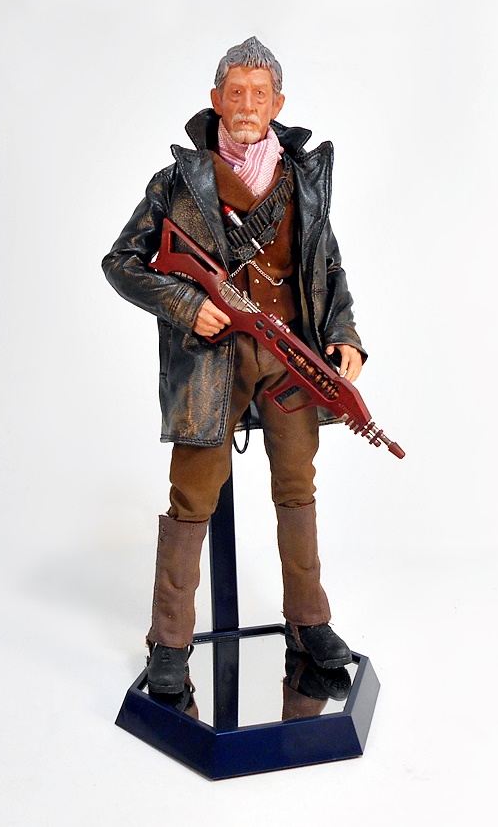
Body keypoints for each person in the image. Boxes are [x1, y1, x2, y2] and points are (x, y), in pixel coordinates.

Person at [102, 37, 367, 695]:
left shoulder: (302, 180)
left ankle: (308, 621)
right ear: (216, 99)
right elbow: (122, 262)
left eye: (260, 94)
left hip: (290, 359)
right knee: (192, 497)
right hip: (207, 363)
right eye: (236, 92)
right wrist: (186, 306)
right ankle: (169, 641)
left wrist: (344, 336)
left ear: (278, 103)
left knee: (297, 488)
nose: (247, 105)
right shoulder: (178, 183)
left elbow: (327, 267)